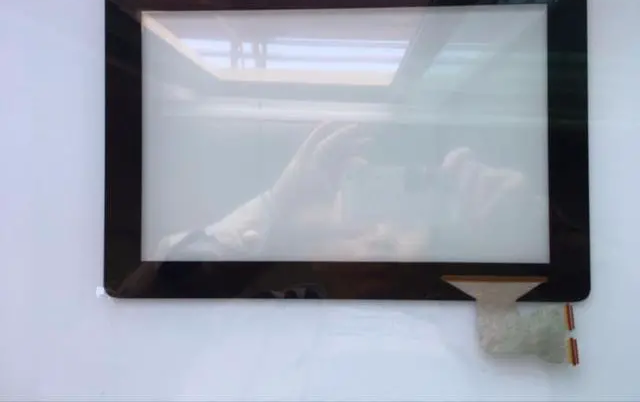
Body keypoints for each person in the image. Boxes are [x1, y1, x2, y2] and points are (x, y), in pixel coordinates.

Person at [116, 121, 543, 298]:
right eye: (357, 216)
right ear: (314, 251)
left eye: (400, 217)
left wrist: (527, 219)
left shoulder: (471, 324)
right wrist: (276, 208)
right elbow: (145, 304)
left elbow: (560, 335)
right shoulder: (267, 314)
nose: (378, 235)